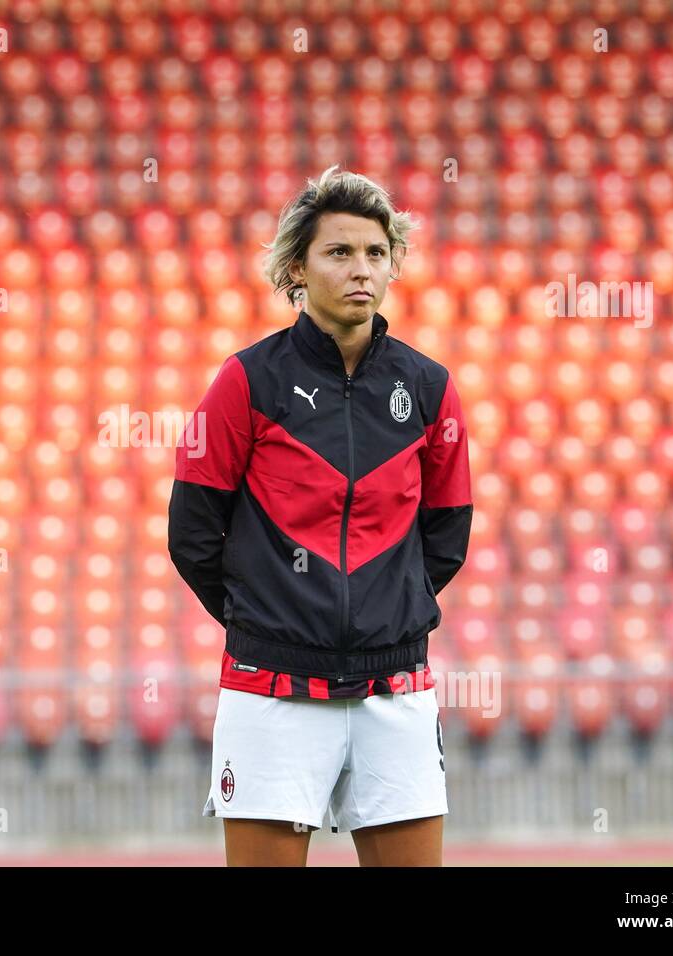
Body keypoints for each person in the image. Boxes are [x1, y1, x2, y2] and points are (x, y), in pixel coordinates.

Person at [168, 165, 472, 866]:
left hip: (394, 691)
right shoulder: (245, 380)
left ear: (393, 264)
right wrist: (270, 617)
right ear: (297, 271)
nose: (360, 268)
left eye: (374, 252)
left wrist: (384, 609)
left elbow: (447, 532)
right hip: (270, 693)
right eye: (338, 252)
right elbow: (192, 534)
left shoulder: (429, 387)